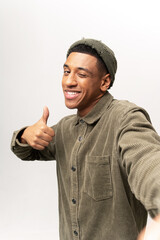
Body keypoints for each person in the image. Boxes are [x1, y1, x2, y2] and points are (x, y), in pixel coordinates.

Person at [11, 38, 160, 240]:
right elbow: (26, 151)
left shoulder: (125, 118)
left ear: (104, 82)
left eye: (81, 74)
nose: (69, 81)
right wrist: (25, 135)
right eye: (66, 71)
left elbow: (146, 161)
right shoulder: (65, 128)